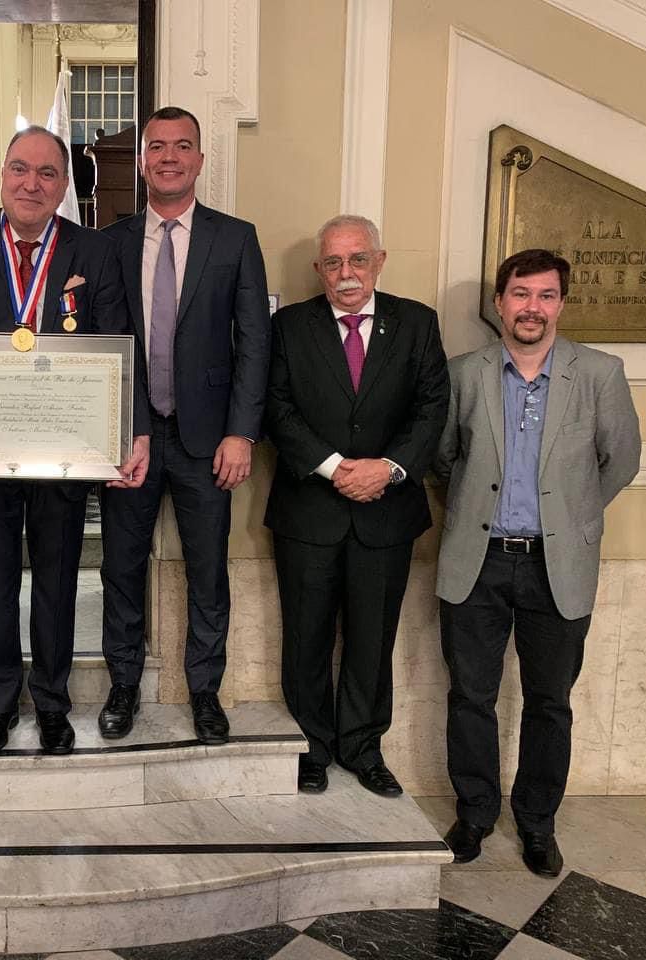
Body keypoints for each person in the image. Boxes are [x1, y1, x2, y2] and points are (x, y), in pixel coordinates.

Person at [0, 125, 150, 757]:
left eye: (47, 173)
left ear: (63, 184)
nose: (32, 183)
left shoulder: (94, 249)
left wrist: (130, 431)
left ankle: (52, 703)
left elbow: (118, 342)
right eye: (20, 169)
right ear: (3, 175)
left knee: (57, 581)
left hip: (66, 445)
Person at [434, 248, 641, 876]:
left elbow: (621, 460)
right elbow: (442, 459)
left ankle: (537, 823)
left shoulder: (600, 373)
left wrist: (567, 520)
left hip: (558, 567)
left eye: (546, 295)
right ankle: (474, 814)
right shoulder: (463, 374)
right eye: (521, 294)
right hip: (478, 561)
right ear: (500, 303)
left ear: (561, 304)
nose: (533, 307)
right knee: (470, 696)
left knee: (549, 701)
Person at [97, 106, 270, 744]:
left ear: (199, 158)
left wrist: (241, 432)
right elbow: (103, 344)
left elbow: (255, 342)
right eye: (157, 146)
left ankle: (204, 691)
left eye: (182, 146)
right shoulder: (111, 242)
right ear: (143, 160)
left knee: (208, 572)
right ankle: (122, 685)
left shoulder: (235, 239)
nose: (169, 157)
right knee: (121, 567)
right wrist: (122, 429)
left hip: (208, 440)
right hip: (131, 438)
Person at [264, 214, 449, 798]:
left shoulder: (417, 323)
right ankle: (311, 749)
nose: (346, 273)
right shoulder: (288, 327)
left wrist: (386, 469)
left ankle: (364, 749)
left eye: (358, 259)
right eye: (333, 262)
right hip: (308, 511)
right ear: (319, 269)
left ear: (379, 261)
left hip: (386, 513)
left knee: (372, 639)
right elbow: (276, 407)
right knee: (306, 639)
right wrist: (334, 467)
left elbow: (432, 408)